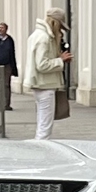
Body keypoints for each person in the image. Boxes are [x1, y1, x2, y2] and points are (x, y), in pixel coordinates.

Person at [26, 8, 66, 140]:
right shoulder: (44, 38)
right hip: (45, 85)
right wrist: (61, 60)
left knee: (42, 123)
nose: (60, 31)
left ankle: (40, 147)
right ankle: (42, 149)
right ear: (55, 23)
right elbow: (42, 65)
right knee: (45, 126)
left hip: (40, 84)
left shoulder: (36, 35)